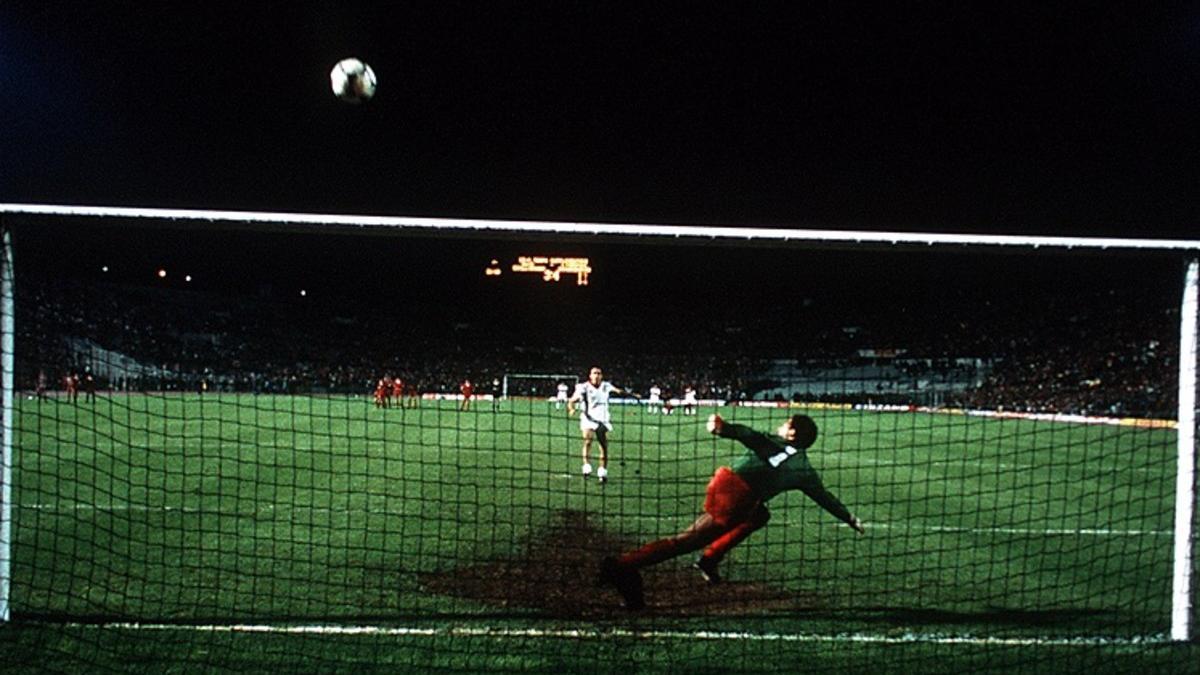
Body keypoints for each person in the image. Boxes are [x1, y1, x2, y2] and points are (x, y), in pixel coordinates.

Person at [598, 412, 864, 610]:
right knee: (685, 541)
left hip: (729, 488)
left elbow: (749, 435)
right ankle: (621, 567)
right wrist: (849, 518)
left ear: (793, 434)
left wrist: (722, 428)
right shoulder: (804, 470)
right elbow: (824, 497)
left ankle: (710, 559)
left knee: (760, 515)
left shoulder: (774, 443)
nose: (781, 425)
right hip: (736, 497)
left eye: (786, 423)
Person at [566, 366, 635, 483]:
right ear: (590, 376)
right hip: (588, 419)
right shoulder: (583, 387)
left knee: (603, 446)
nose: (597, 375)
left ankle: (602, 472)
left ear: (601, 376)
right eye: (594, 373)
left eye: (599, 373)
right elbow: (572, 400)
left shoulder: (606, 386)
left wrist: (633, 395)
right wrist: (571, 409)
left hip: (603, 420)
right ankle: (586, 466)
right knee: (587, 441)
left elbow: (619, 391)